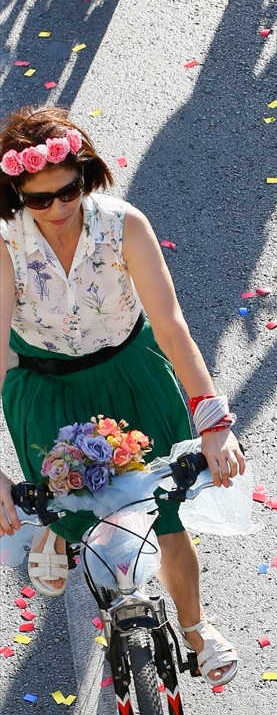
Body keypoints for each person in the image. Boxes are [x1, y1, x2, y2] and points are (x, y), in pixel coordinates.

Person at [0, 105, 243, 684]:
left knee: (163, 513)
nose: (60, 209)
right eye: (40, 200)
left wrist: (214, 423)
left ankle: (195, 628)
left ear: (85, 176)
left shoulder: (123, 224)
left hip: (131, 378)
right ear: (16, 196)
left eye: (69, 191)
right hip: (47, 390)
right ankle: (60, 535)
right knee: (69, 505)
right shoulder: (5, 246)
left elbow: (171, 325)